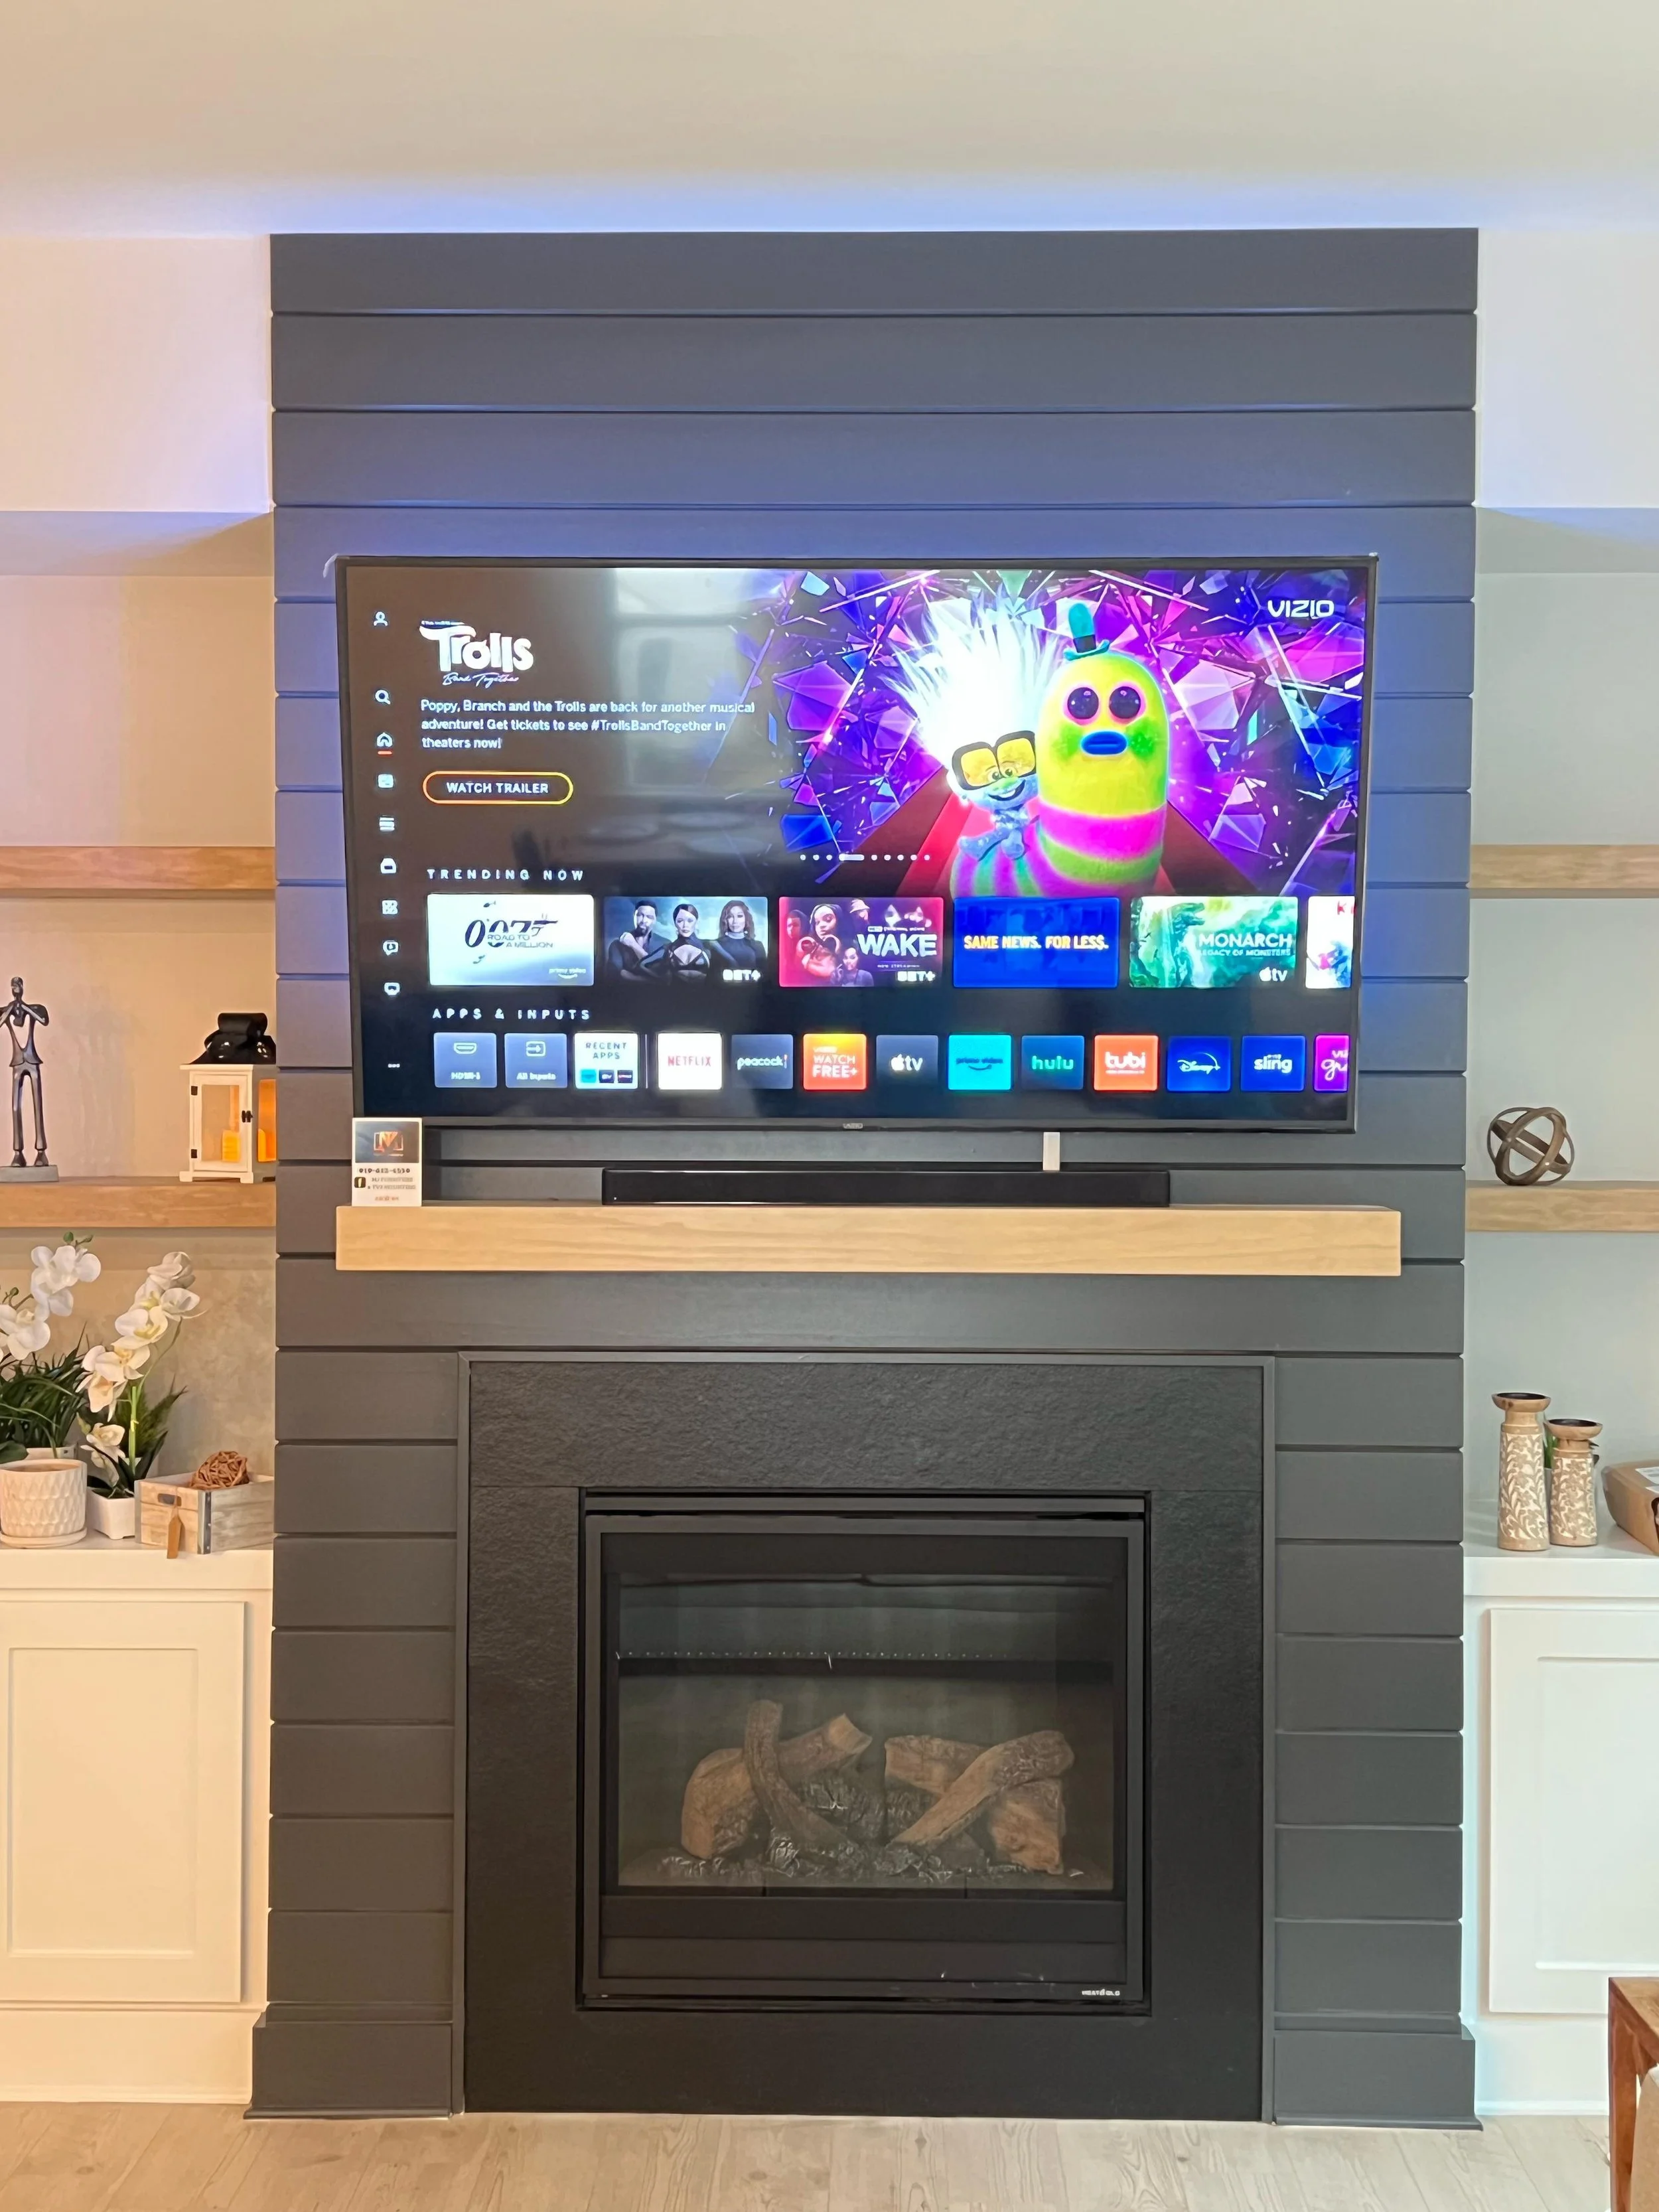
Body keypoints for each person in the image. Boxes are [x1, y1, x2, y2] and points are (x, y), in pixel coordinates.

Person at [606, 901, 668, 980]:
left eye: (649, 917)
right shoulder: (617, 944)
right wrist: (653, 980)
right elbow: (614, 976)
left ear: (655, 920)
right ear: (634, 916)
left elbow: (663, 975)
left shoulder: (665, 944)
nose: (643, 920)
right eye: (640, 915)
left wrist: (633, 945)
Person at [661, 901, 711, 981]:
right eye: (680, 921)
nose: (685, 925)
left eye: (690, 921)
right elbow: (643, 965)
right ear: (675, 923)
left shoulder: (708, 946)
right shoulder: (667, 949)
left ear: (696, 922)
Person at [711, 899, 763, 976]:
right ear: (725, 920)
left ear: (746, 919)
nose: (735, 921)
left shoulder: (758, 946)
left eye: (739, 916)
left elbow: (764, 975)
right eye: (730, 917)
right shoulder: (714, 946)